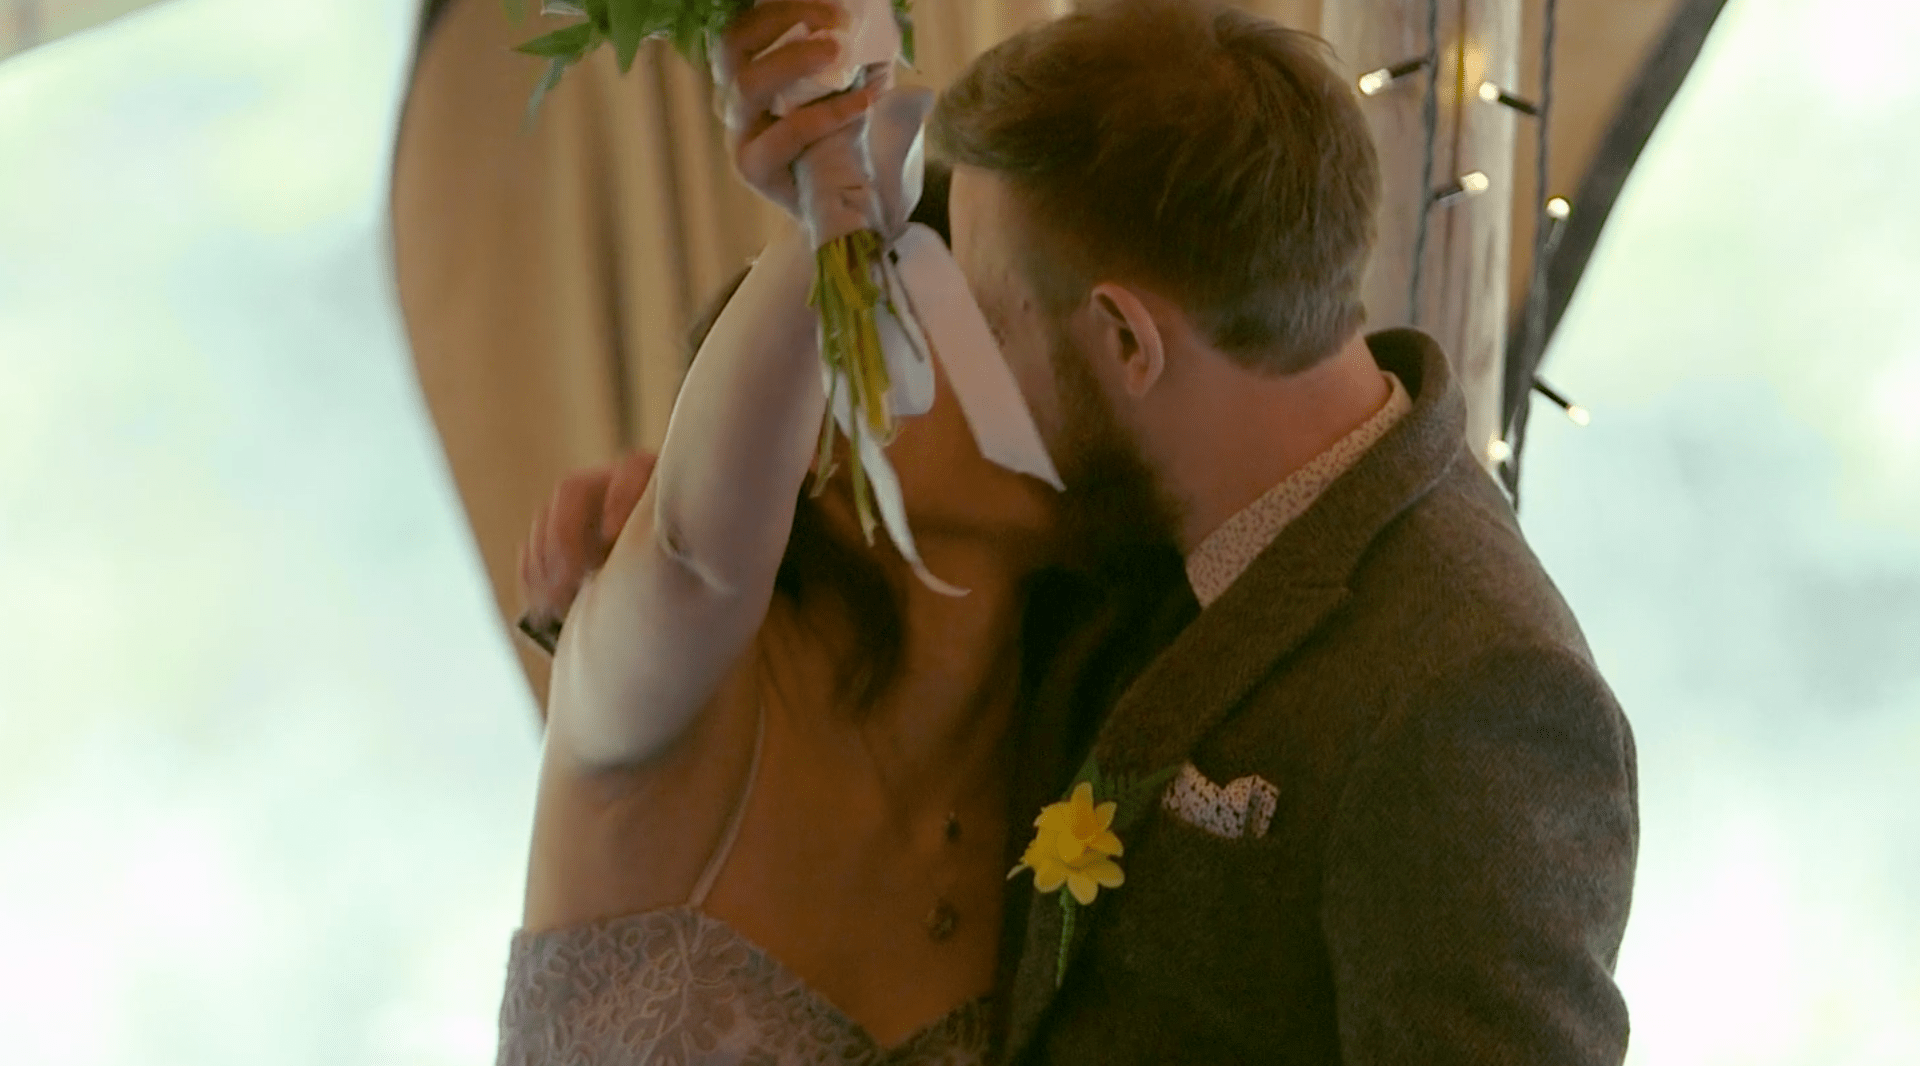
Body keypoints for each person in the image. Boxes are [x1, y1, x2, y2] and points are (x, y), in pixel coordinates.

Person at [925, 0, 1640, 1063]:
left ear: (1127, 337)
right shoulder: (1141, 500)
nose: (971, 372)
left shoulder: (1477, 692)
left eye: (992, 325)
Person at [494, 4, 1183, 1064]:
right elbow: (693, 549)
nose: (1050, 363)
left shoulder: (1079, 754)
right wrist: (845, 190)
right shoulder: (674, 693)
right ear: (822, 422)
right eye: (983, 321)